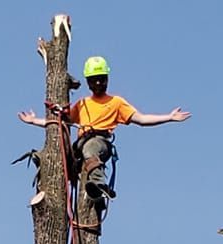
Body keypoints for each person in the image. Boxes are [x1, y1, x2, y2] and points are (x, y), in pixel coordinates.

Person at [19, 55, 190, 211]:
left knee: (90, 149)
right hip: (80, 144)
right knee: (62, 161)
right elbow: (60, 123)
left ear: (107, 79)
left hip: (99, 141)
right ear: (88, 82)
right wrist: (35, 121)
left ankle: (98, 185)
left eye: (101, 79)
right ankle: (61, 201)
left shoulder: (116, 103)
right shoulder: (82, 104)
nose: (98, 83)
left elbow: (142, 119)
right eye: (94, 80)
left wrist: (169, 117)